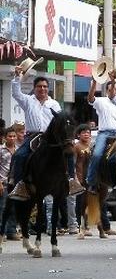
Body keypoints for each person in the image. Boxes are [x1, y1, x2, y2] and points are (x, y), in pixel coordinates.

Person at [9, 68, 84, 201]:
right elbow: (15, 93)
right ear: (34, 88)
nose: (42, 89)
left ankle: (72, 181)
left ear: (48, 89)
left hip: (52, 138)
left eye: (44, 86)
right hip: (32, 136)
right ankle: (19, 185)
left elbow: (62, 121)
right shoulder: (28, 100)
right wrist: (17, 77)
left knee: (69, 153)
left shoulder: (54, 104)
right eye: (39, 86)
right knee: (19, 155)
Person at [86, 79, 116, 194]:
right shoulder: (101, 101)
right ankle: (92, 183)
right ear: (107, 91)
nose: (114, 91)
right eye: (111, 89)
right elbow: (90, 98)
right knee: (97, 154)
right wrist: (94, 82)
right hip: (104, 133)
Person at [0, 127, 19, 240]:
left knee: (14, 207)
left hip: (15, 183)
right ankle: (2, 232)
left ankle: (12, 231)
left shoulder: (19, 150)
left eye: (13, 136)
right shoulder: (1, 150)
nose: (12, 138)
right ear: (4, 137)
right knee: (2, 207)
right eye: (9, 136)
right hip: (3, 182)